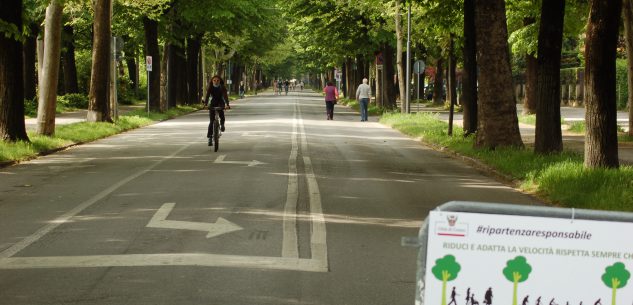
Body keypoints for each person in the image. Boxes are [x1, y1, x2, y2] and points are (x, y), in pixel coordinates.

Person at [202, 75, 230, 146]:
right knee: (211, 122)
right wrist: (205, 105)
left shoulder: (222, 87)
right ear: (212, 81)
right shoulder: (210, 87)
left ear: (220, 81)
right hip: (213, 103)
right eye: (214, 80)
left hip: (220, 102)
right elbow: (208, 96)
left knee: (221, 114)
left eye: (217, 80)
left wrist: (227, 104)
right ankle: (210, 137)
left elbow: (225, 96)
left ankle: (222, 124)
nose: (216, 82)